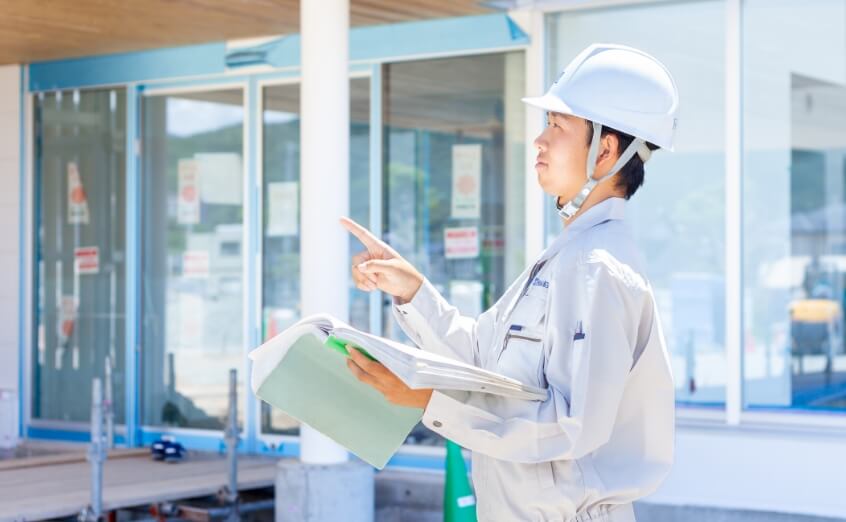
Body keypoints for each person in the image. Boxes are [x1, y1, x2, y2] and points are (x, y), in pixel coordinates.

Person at [341, 43, 678, 522]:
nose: (539, 141)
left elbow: (572, 426)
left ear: (604, 151)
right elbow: (482, 361)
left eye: (558, 127)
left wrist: (428, 402)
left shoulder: (598, 269)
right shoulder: (563, 259)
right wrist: (412, 291)